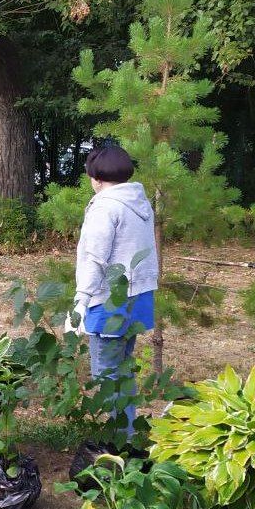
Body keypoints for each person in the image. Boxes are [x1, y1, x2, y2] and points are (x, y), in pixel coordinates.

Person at [72, 145, 159, 436]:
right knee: (123, 368)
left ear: (96, 178)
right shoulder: (140, 203)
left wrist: (81, 302)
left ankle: (116, 440)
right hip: (138, 297)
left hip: (110, 300)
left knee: (106, 374)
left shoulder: (106, 207)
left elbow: (95, 258)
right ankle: (128, 432)